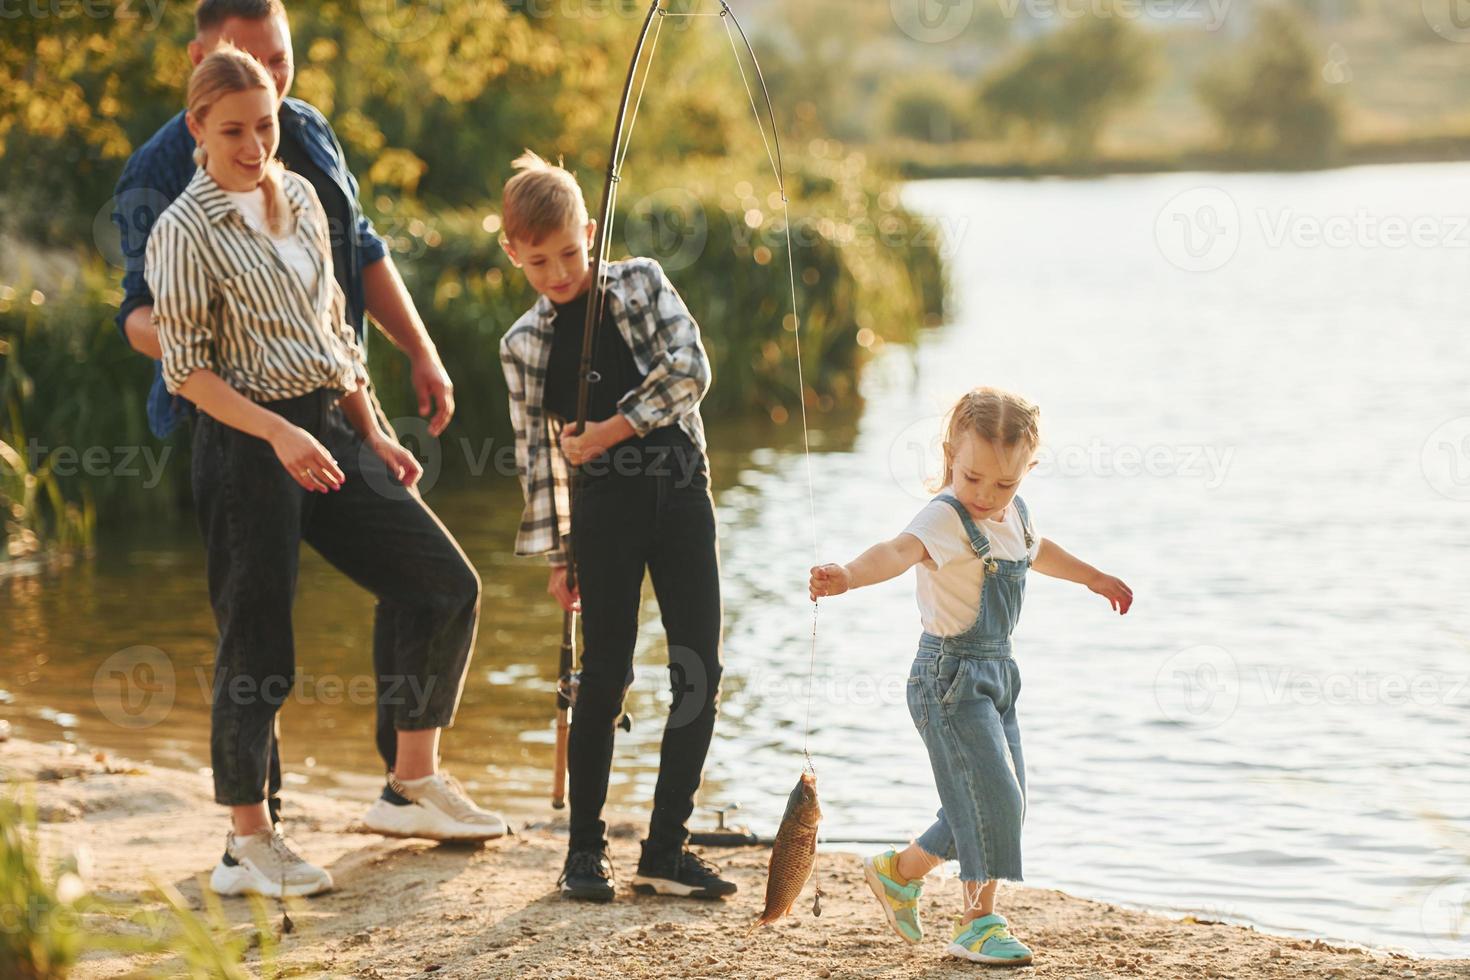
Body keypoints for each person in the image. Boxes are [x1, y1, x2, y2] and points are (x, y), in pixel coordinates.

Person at [146, 47, 503, 898]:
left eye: (264, 124)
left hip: (327, 432)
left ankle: (410, 785)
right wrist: (275, 434)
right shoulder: (182, 231)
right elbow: (186, 372)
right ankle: (247, 841)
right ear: (197, 128)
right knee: (258, 644)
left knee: (442, 583)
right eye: (231, 129)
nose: (252, 143)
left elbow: (335, 338)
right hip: (244, 448)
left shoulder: (301, 197)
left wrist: (373, 432)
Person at [809, 387, 1134, 966]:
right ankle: (978, 923)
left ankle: (900, 872)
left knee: (1003, 800)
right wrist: (848, 575)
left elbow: (1038, 551)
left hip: (999, 674)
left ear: (1027, 470)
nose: (986, 496)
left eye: (1004, 484)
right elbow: (895, 550)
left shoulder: (1016, 515)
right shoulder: (943, 516)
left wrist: (1093, 577)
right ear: (949, 456)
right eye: (973, 477)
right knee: (994, 797)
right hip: (948, 676)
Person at [498, 150, 735, 903]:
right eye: (539, 261)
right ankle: (584, 853)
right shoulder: (523, 345)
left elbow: (691, 370)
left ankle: (666, 849)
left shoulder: (639, 281)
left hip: (680, 494)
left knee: (699, 672)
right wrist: (558, 552)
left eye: (570, 252)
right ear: (513, 253)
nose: (559, 271)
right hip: (600, 517)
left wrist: (610, 430)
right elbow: (538, 459)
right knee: (604, 677)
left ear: (590, 232)